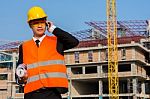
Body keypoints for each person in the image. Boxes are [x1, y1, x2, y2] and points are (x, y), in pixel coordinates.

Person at [15, 6, 79, 99]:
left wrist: (53, 29)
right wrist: (21, 79)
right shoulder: (24, 47)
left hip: (52, 93)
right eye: (36, 23)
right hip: (31, 94)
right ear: (30, 25)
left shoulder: (56, 42)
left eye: (42, 22)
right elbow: (18, 73)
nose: (40, 25)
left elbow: (74, 42)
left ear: (46, 23)